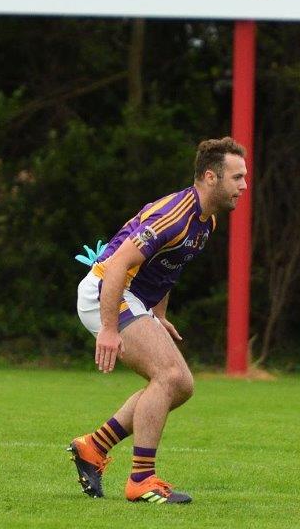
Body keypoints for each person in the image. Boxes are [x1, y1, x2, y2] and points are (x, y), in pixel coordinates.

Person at [68, 137, 248, 504]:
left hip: (132, 298)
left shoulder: (206, 221)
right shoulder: (175, 214)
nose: (244, 186)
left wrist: (158, 315)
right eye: (237, 177)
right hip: (106, 289)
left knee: (179, 385)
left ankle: (94, 446)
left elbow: (167, 266)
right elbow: (118, 264)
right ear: (211, 177)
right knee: (169, 376)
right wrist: (107, 328)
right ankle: (141, 480)